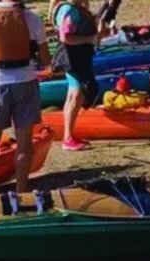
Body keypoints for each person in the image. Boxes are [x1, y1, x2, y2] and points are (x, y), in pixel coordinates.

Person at [0, 0, 50, 192]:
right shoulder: (33, 19)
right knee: (24, 143)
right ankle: (21, 190)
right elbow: (46, 59)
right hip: (25, 82)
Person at [53, 0, 103, 150]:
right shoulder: (70, 10)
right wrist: (90, 39)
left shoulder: (75, 9)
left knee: (73, 94)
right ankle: (68, 138)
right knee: (77, 94)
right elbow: (66, 37)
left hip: (77, 57)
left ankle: (69, 135)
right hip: (73, 59)